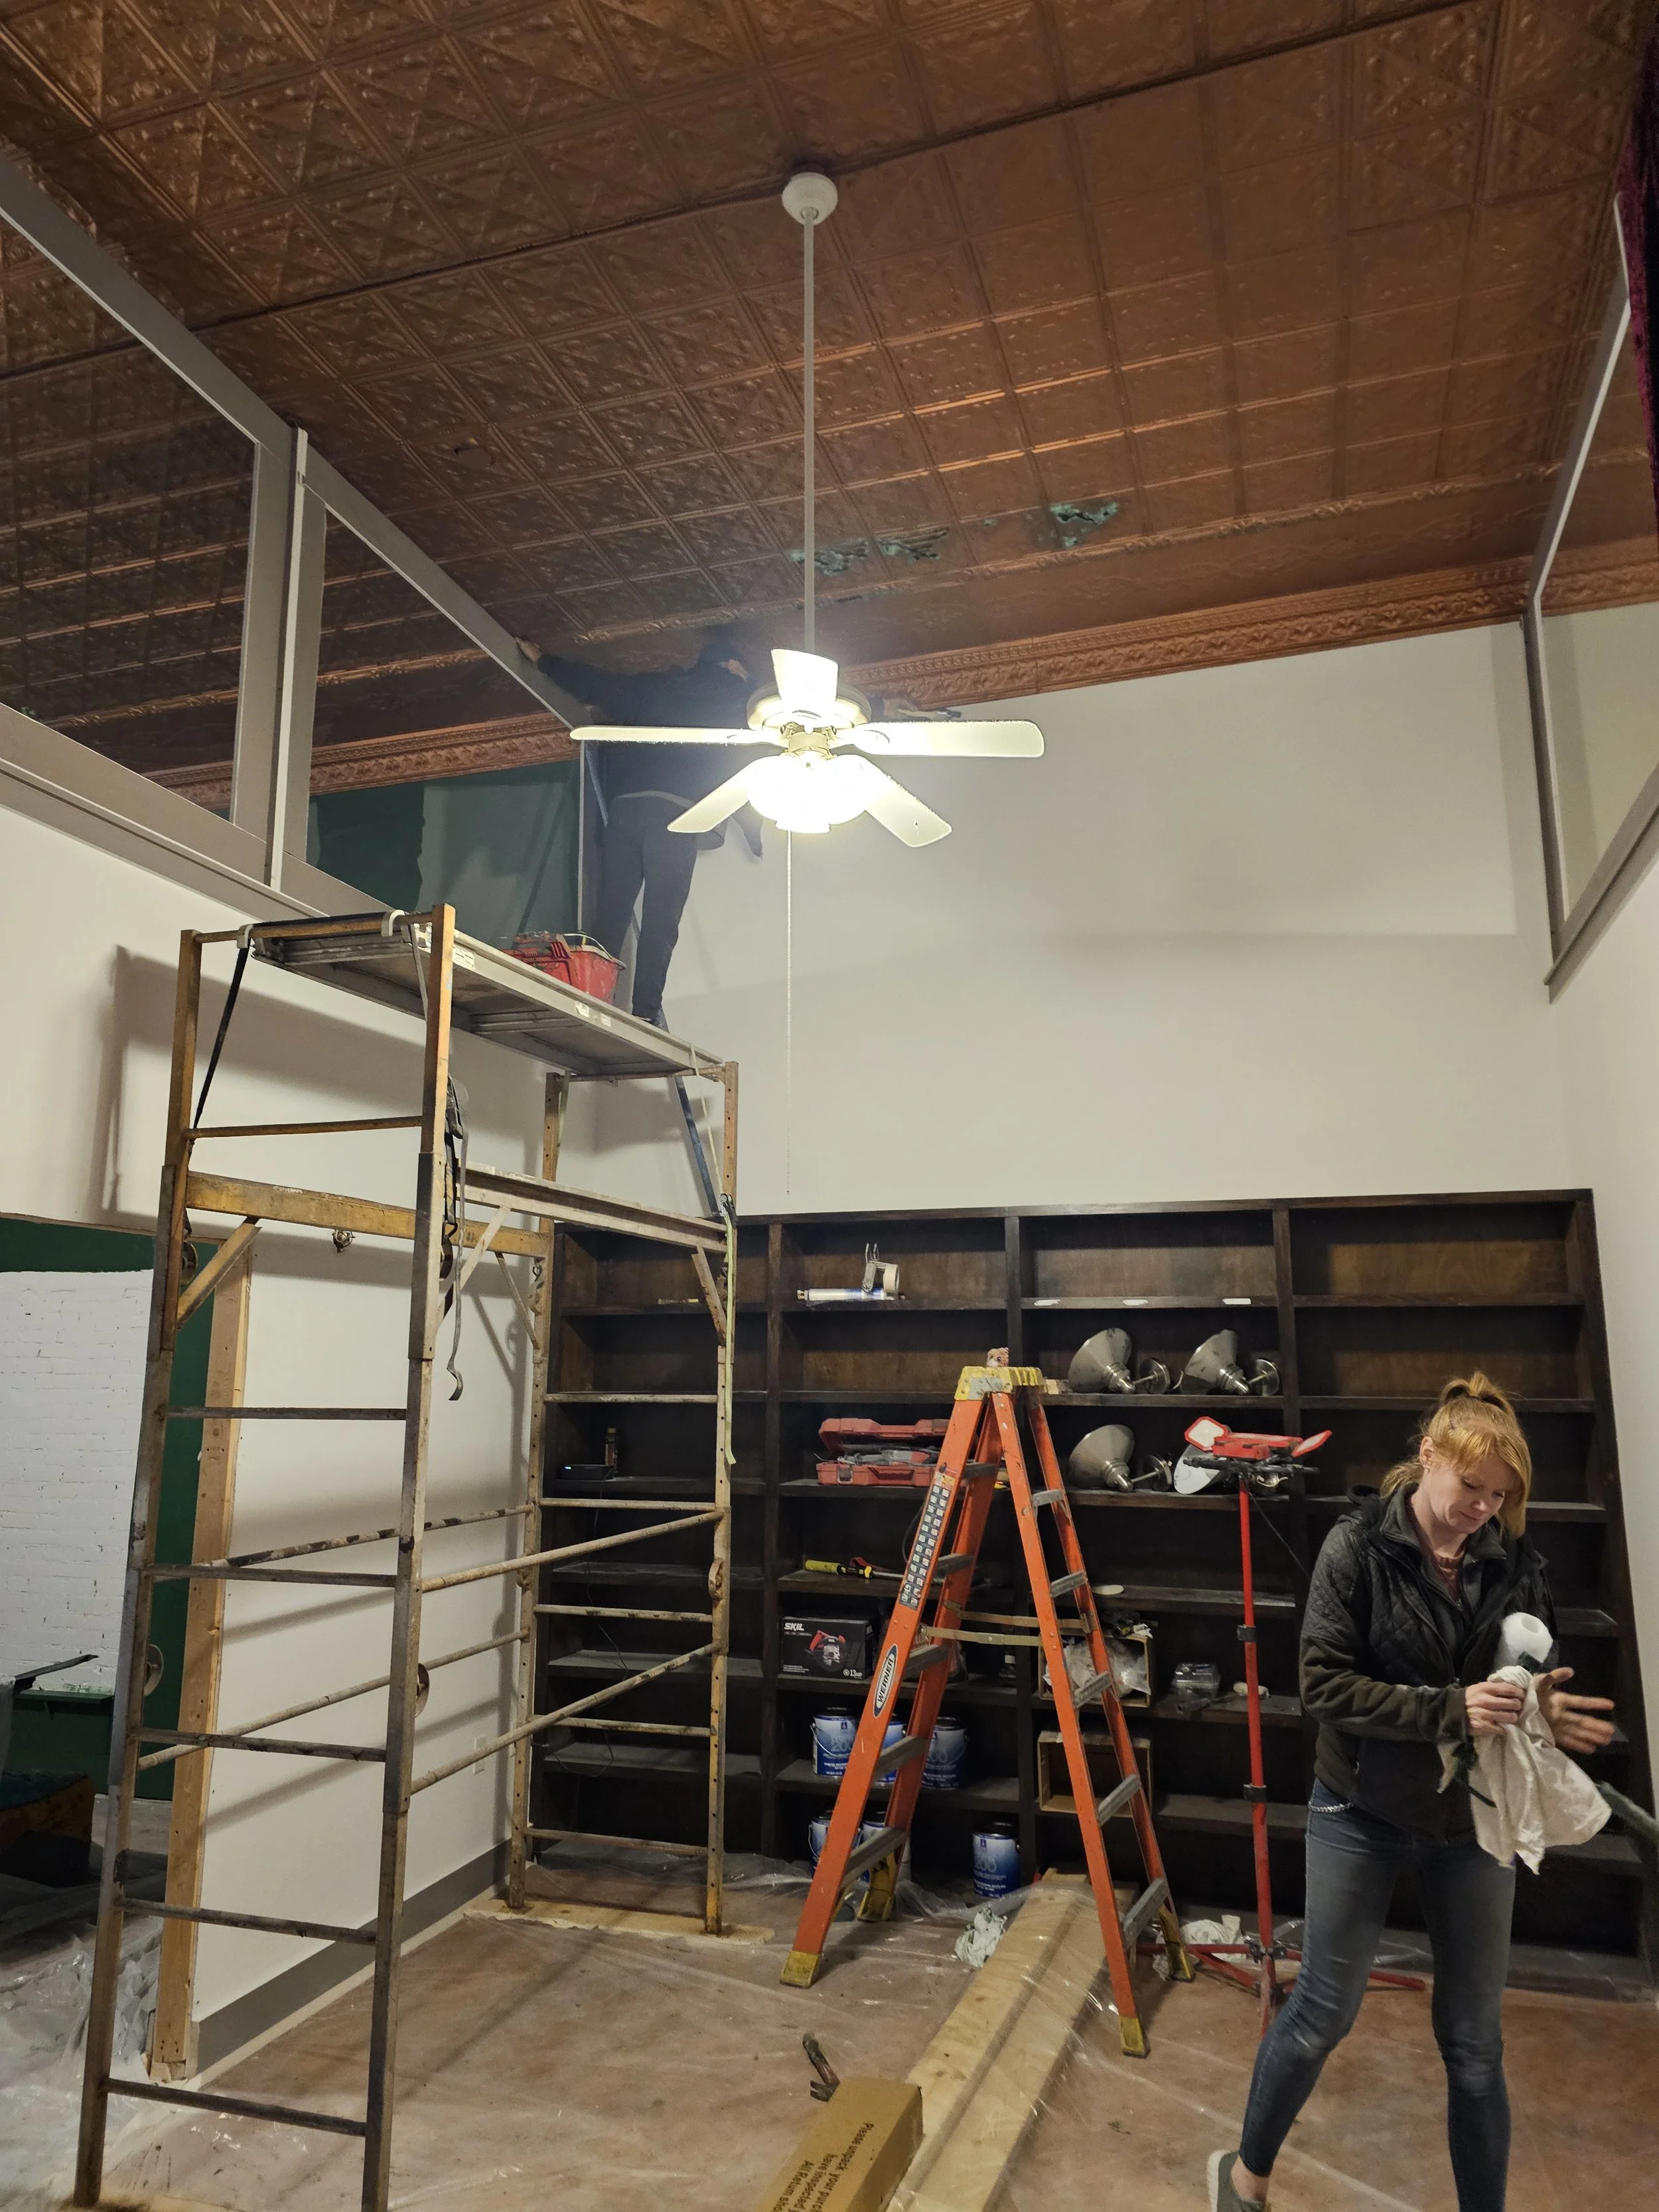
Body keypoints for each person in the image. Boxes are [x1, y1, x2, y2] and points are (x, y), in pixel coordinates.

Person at [1209, 1374, 1616, 2212]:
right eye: (1470, 1487)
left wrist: (1539, 1705)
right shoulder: (1356, 1548)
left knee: (1473, 2046)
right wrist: (1447, 1710)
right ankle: (1243, 2178)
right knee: (1322, 2012)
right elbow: (1322, 1687)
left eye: (1499, 1497)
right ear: (1426, 1456)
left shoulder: (1514, 1564)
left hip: (1469, 1819)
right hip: (1359, 1805)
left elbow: (1512, 1678)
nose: (1482, 1510)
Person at [516, 630, 757, 1025]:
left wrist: (544, 661)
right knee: (661, 920)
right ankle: (645, 1013)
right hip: (677, 817)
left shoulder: (654, 688)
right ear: (732, 666)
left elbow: (598, 684)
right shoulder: (738, 700)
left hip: (626, 810)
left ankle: (591, 1001)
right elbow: (781, 729)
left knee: (611, 911)